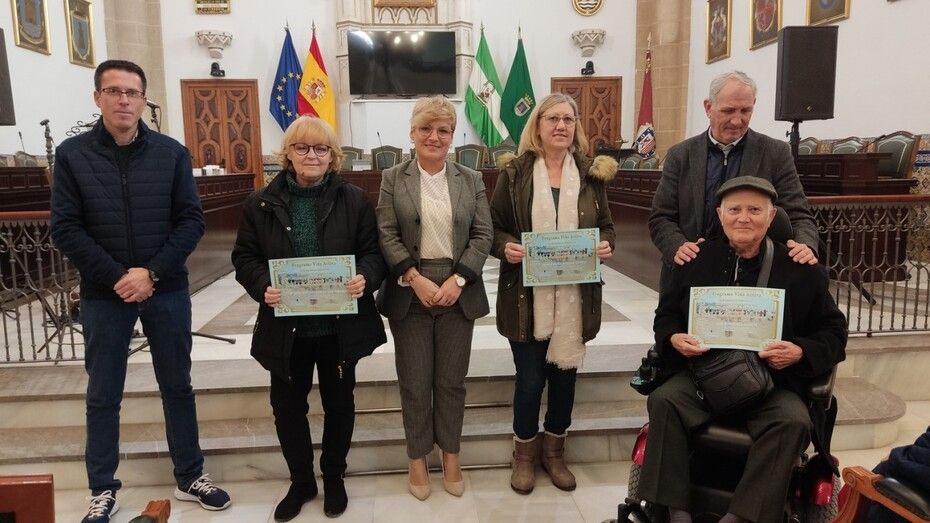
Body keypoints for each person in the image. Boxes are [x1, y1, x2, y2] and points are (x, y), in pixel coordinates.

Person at [50, 59, 231, 523]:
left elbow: (190, 221)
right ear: (98, 98)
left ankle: (190, 475)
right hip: (103, 294)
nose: (124, 100)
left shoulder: (171, 153)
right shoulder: (72, 155)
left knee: (178, 386)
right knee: (103, 393)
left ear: (144, 100)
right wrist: (118, 276)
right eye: (114, 91)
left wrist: (150, 273)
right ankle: (101, 488)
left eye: (132, 92)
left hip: (165, 288)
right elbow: (66, 228)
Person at [639, 176, 847, 523]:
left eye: (755, 210)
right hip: (704, 377)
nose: (744, 218)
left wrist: (799, 351)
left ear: (771, 216)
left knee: (793, 421)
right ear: (720, 214)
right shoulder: (696, 259)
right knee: (664, 400)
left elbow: (834, 332)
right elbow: (667, 316)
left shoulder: (800, 268)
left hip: (772, 382)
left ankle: (740, 517)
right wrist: (673, 338)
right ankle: (676, 513)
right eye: (734, 210)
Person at [231, 116, 387, 520]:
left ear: (333, 157)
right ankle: (301, 482)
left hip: (338, 327)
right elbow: (244, 257)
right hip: (286, 328)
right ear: (288, 155)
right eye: (302, 147)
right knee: (287, 408)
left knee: (339, 405)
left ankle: (334, 475)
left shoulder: (354, 199)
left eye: (321, 148)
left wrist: (365, 277)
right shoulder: (260, 203)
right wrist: (263, 284)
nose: (312, 155)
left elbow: (373, 253)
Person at [489, 93, 617, 495]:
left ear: (576, 126)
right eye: (553, 119)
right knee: (529, 382)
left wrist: (605, 245)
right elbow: (492, 228)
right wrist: (505, 246)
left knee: (564, 382)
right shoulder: (514, 174)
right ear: (538, 125)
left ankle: (555, 454)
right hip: (525, 300)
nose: (561, 126)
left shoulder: (591, 174)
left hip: (576, 299)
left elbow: (608, 226)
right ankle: (524, 455)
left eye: (568, 119)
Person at [376, 96, 492, 500]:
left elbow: (483, 234)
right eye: (426, 128)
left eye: (443, 130)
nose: (434, 136)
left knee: (451, 382)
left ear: (452, 135)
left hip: (459, 290)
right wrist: (413, 277)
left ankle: (451, 455)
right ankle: (417, 458)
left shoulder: (471, 179)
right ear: (412, 133)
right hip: (410, 291)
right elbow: (386, 233)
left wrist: (458, 279)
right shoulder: (393, 177)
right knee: (414, 382)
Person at [649, 70, 819, 296]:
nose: (737, 120)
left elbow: (799, 215)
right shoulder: (680, 155)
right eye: (728, 111)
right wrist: (677, 246)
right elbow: (661, 217)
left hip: (754, 279)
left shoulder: (775, 153)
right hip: (690, 272)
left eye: (745, 110)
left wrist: (805, 244)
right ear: (708, 107)